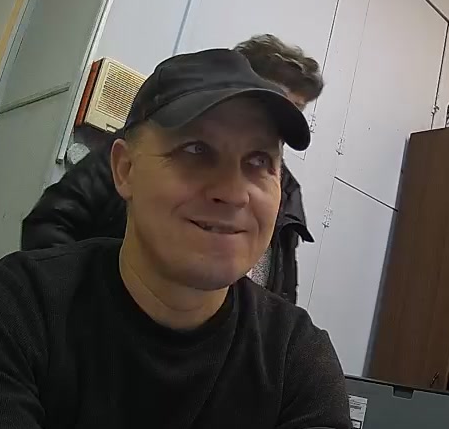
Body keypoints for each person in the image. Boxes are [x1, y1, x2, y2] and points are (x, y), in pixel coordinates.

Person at [0, 49, 396, 429]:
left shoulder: (294, 353)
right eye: (195, 150)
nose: (233, 193)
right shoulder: (13, 309)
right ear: (123, 169)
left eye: (259, 162)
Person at [22, 35, 322, 303]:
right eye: (197, 152)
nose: (234, 194)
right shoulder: (143, 148)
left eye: (297, 107)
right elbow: (53, 220)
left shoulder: (286, 191)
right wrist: (83, 309)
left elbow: (282, 286)